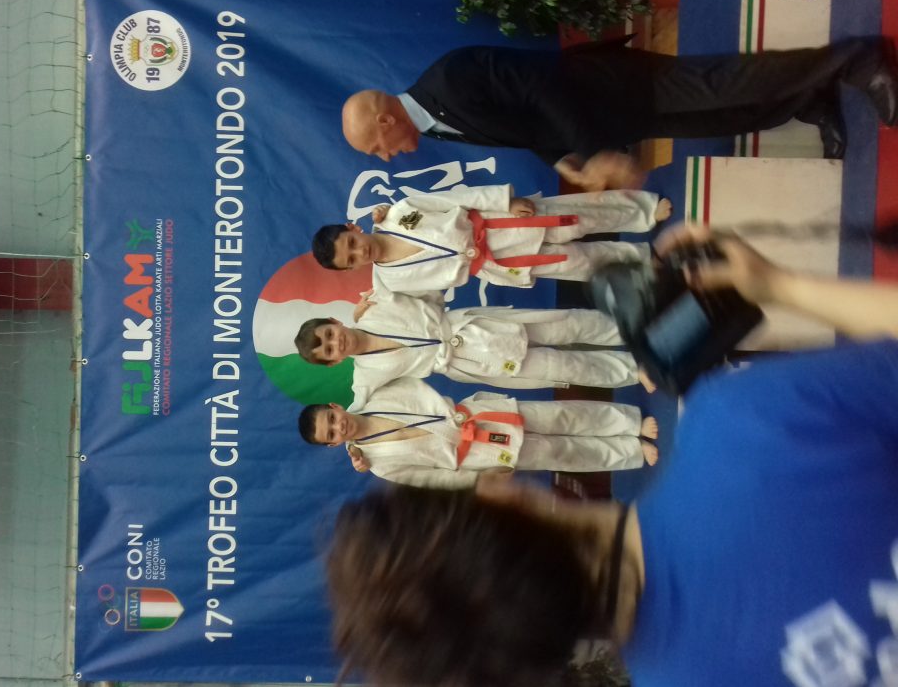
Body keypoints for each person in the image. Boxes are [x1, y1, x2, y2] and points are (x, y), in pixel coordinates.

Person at [322, 226, 898, 687]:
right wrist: (780, 286)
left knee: (578, 361)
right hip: (489, 405)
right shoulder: (741, 423)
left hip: (489, 355)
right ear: (501, 492)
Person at [341, 37, 898, 190]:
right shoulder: (438, 124)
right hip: (615, 118)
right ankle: (809, 98)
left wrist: (595, 153)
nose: (385, 158)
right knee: (722, 119)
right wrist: (562, 158)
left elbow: (542, 88)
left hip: (618, 86)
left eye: (376, 148)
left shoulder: (450, 78)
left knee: (729, 81)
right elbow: (525, 121)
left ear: (385, 122)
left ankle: (858, 60)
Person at [299, 376, 658, 488]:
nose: (337, 427)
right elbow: (432, 479)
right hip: (475, 455)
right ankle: (630, 452)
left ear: (335, 406)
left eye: (331, 419)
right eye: (330, 434)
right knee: (558, 454)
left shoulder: (374, 393)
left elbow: (384, 360)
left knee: (560, 416)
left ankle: (629, 424)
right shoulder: (378, 463)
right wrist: (479, 479)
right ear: (332, 444)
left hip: (475, 417)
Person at [311, 183, 670, 288]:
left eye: (352, 244)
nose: (360, 253)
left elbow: (454, 198)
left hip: (495, 223)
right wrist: (367, 308)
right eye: (351, 260)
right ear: (350, 270)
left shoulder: (400, 211)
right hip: (495, 264)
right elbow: (405, 310)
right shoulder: (390, 281)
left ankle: (643, 210)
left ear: (354, 228)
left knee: (577, 217)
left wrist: (504, 201)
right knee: (577, 263)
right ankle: (640, 260)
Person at [294, 289, 648, 393]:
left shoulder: (377, 303)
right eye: (329, 351)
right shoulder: (366, 377)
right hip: (467, 363)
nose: (336, 343)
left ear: (334, 321)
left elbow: (414, 277)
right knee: (562, 366)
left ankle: (634, 326)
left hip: (470, 324)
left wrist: (383, 216)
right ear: (334, 362)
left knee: (563, 325)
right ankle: (635, 371)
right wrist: (356, 450)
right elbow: (357, 413)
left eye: (329, 335)